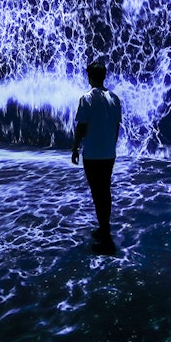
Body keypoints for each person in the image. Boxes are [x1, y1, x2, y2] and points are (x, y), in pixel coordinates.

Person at [71, 60, 123, 244]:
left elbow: (81, 127)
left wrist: (75, 148)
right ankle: (105, 226)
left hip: (92, 154)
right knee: (105, 190)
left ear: (90, 77)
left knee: (96, 191)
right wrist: (111, 146)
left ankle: (103, 229)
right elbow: (116, 128)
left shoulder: (87, 98)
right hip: (109, 153)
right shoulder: (115, 98)